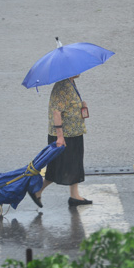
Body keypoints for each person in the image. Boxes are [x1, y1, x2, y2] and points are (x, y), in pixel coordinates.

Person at [30, 75, 92, 208]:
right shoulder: (63, 86)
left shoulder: (70, 82)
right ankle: (37, 191)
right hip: (65, 136)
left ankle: (74, 196)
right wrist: (60, 137)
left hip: (74, 134)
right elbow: (57, 112)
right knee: (57, 167)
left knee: (74, 165)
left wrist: (82, 107)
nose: (79, 71)